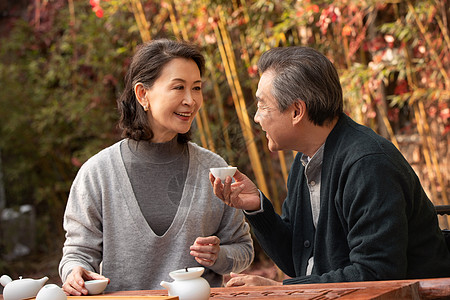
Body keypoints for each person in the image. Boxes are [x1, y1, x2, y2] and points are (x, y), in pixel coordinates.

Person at [211, 46, 450, 286]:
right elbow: (299, 262)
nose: (256, 117)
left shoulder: (367, 165)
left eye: (263, 105)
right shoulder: (304, 161)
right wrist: (257, 208)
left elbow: (375, 274)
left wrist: (284, 291)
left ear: (296, 111)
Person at [59, 39, 254, 295]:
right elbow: (78, 253)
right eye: (178, 87)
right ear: (142, 94)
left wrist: (218, 256)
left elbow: (243, 248)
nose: (191, 100)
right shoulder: (97, 173)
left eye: (196, 88)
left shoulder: (214, 170)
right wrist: (75, 271)